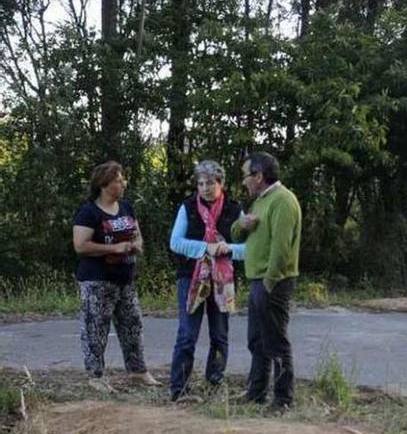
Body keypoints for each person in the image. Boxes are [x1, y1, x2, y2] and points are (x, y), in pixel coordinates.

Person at [72, 161, 160, 391]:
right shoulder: (89, 212)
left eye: (122, 180)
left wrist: (136, 245)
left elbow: (137, 235)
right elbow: (80, 245)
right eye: (119, 180)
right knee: (96, 329)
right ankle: (96, 377)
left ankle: (138, 372)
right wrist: (113, 249)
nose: (123, 184)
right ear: (104, 184)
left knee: (132, 325)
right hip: (97, 280)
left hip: (125, 279)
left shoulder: (126, 207)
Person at [168, 160, 245, 402]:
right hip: (191, 278)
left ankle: (215, 382)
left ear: (221, 183)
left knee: (220, 335)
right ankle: (179, 388)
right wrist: (206, 247)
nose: (205, 188)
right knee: (187, 335)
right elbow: (176, 242)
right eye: (200, 183)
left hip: (223, 279)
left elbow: (250, 247)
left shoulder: (234, 210)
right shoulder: (188, 207)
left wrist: (228, 248)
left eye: (210, 183)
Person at [232, 152, 301, 412]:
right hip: (257, 280)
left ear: (259, 176)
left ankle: (283, 400)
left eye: (246, 176)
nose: (244, 181)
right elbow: (236, 233)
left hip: (273, 282)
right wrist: (242, 224)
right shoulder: (260, 200)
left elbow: (281, 249)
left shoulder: (283, 201)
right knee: (257, 341)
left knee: (276, 342)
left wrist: (270, 282)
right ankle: (256, 392)